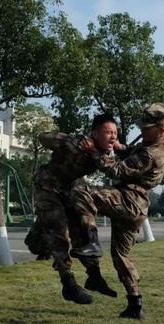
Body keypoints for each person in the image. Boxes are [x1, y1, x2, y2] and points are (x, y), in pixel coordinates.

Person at [71, 102, 164, 320]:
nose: (142, 131)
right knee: (121, 256)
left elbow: (116, 170)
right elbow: (134, 152)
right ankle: (135, 304)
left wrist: (93, 151)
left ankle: (90, 242)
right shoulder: (158, 144)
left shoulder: (152, 153)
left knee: (81, 192)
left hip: (128, 200)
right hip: (138, 208)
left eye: (146, 128)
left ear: (160, 130)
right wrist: (120, 147)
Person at [25, 114, 120, 305]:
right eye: (108, 132)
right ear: (94, 133)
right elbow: (44, 137)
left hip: (68, 189)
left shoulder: (100, 154)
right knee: (59, 230)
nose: (113, 137)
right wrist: (68, 139)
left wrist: (117, 147)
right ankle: (68, 284)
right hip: (47, 186)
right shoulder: (76, 143)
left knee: (80, 228)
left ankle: (94, 276)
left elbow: (115, 169)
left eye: (115, 133)